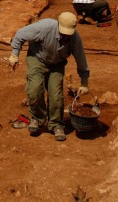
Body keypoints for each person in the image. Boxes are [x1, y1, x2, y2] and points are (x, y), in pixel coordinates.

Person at [8, 12, 90, 141]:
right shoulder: (44, 28)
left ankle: (56, 124)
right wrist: (15, 54)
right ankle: (38, 119)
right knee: (35, 91)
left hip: (56, 65)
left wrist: (84, 82)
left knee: (56, 96)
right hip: (37, 59)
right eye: (63, 32)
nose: (65, 36)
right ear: (58, 25)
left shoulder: (75, 38)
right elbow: (20, 34)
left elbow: (81, 60)